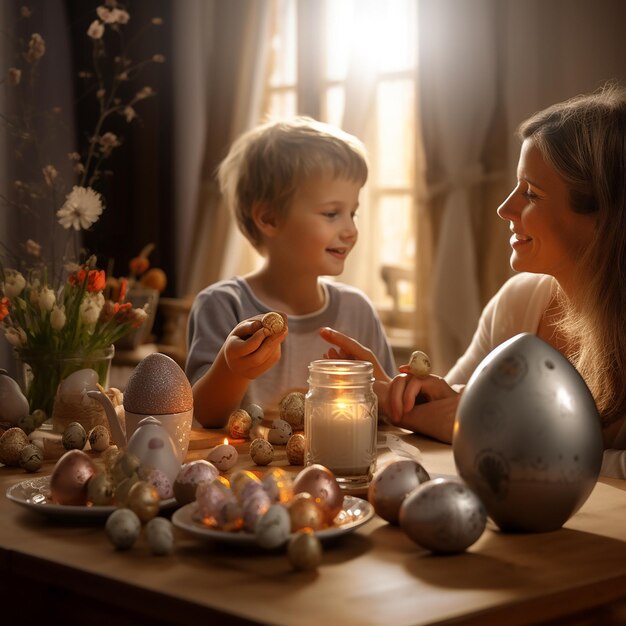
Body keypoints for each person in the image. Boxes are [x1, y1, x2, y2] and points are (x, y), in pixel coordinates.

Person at [323, 83, 626, 478]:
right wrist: (397, 397)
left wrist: (489, 429)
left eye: (531, 194)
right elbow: (451, 410)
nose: (505, 208)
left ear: (602, 217)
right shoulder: (519, 303)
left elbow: (468, 424)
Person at [186, 116, 396, 427]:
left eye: (352, 213)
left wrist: (391, 395)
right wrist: (233, 370)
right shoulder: (222, 305)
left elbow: (386, 413)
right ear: (269, 218)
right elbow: (205, 416)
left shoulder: (358, 311)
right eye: (331, 213)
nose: (350, 230)